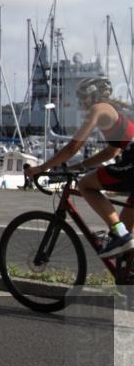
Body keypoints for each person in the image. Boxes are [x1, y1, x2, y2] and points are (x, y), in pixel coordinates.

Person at [26, 76, 134, 257]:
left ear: (94, 96)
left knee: (85, 185)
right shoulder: (110, 111)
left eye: (83, 96)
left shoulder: (98, 109)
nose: (80, 101)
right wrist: (79, 165)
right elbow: (111, 152)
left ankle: (119, 233)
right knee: (126, 248)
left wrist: (41, 168)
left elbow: (73, 146)